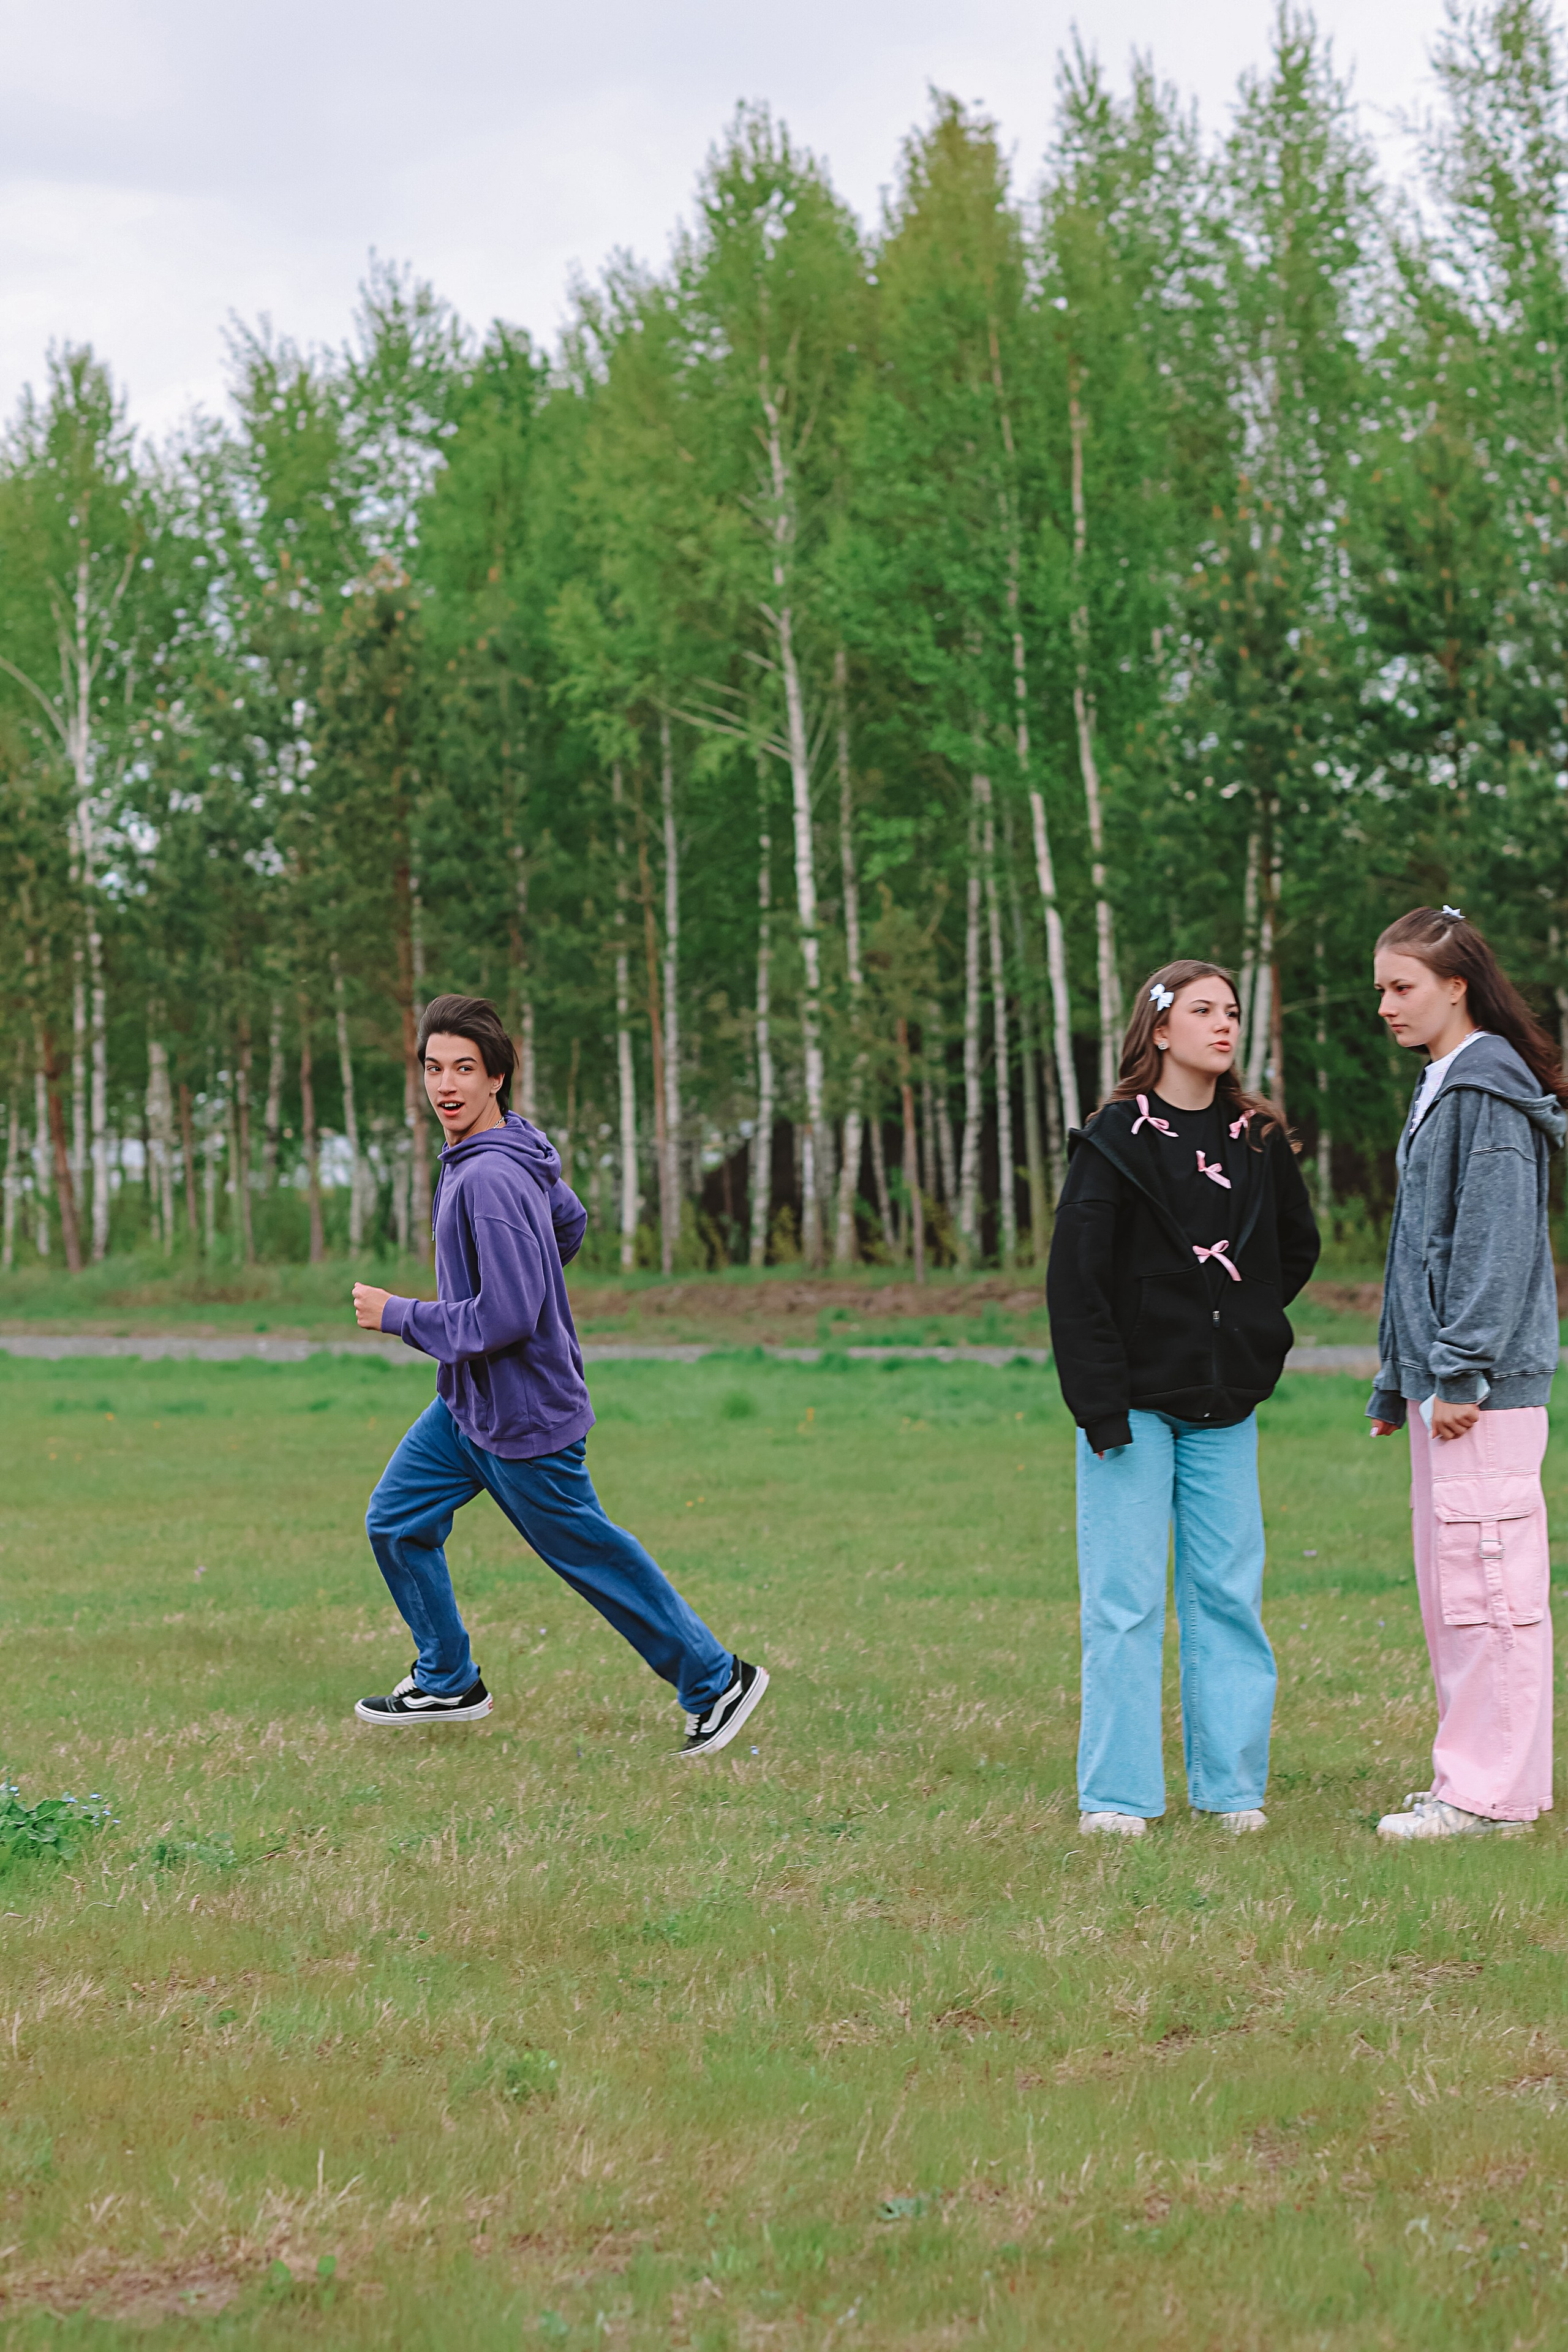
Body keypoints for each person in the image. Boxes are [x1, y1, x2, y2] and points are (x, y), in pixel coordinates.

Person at [349, 992, 769, 1759]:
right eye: (435, 1068)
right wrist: (523, 1278)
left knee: (589, 1553)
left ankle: (716, 1680)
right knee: (396, 1519)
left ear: (497, 1077)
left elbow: (505, 1316)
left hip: (523, 1418)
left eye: (465, 1070)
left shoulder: (488, 1179)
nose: (446, 1086)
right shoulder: (512, 1149)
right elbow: (568, 1224)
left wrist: (401, 1314)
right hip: (468, 1408)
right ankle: (447, 1678)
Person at [1047, 962, 1320, 1838]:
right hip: (1130, 1409)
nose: (1224, 1025)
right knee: (1124, 1604)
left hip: (1224, 1403)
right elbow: (1076, 1282)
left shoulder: (1258, 1137)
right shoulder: (1115, 1138)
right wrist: (1099, 1406)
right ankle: (1118, 1799)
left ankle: (1232, 1791)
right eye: (1204, 1010)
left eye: (1232, 1011)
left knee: (1229, 1597)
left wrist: (1239, 1323)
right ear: (1160, 1030)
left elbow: (1295, 1247)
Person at [1367, 907, 1566, 1841]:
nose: (1386, 1006)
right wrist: (1396, 1374)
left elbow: (1492, 1240)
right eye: (1380, 989)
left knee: (1491, 1590)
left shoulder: (1484, 1087)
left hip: (1477, 1390)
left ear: (1457, 986)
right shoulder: (1443, 1082)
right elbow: (1420, 1246)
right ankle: (1484, 1787)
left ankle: (1486, 1800)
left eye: (1401, 987)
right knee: (1460, 1590)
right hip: (1444, 1384)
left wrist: (1460, 1370)